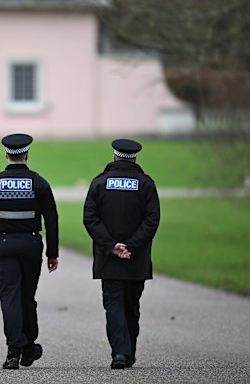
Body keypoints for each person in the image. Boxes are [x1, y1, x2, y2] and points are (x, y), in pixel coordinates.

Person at [0, 133, 59, 370]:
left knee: (10, 297)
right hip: (32, 246)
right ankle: (28, 345)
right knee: (26, 296)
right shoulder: (39, 183)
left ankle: (15, 351)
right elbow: (51, 219)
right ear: (27, 154)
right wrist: (52, 252)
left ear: (6, 154)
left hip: (5, 244)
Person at [83, 139, 160, 369]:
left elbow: (90, 218)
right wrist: (132, 246)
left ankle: (119, 352)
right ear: (135, 158)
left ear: (115, 156)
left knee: (114, 304)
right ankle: (128, 352)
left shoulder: (100, 182)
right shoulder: (146, 184)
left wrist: (111, 246)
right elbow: (152, 220)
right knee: (131, 306)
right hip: (136, 258)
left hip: (109, 257)